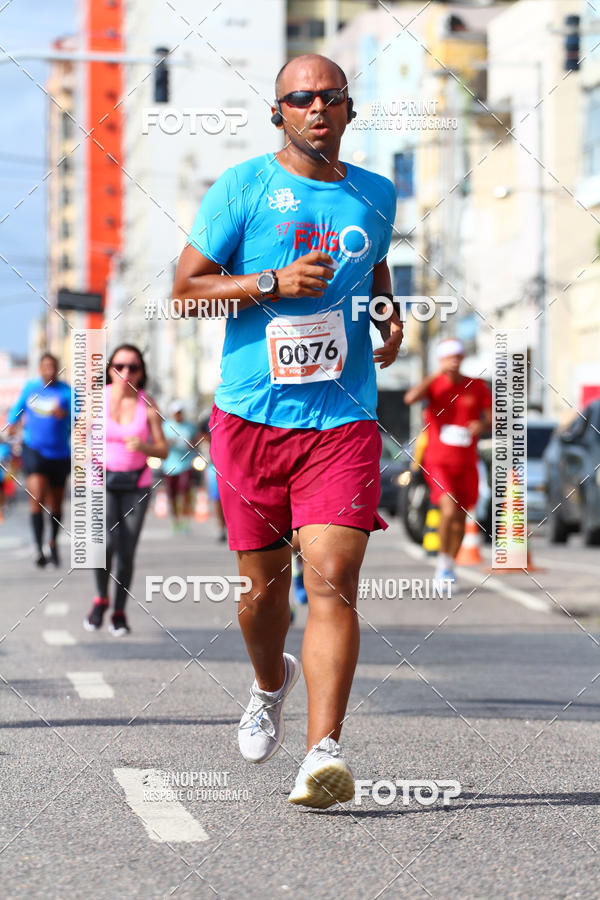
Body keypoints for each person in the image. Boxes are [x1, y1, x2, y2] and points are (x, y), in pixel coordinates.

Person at [172, 54, 402, 808]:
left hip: (342, 419)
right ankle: (271, 682)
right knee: (261, 598)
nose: (315, 108)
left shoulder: (376, 194)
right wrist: (268, 283)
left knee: (333, 580)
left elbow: (371, 264)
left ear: (347, 109)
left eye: (329, 97)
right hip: (250, 420)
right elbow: (185, 294)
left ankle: (322, 754)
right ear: (278, 112)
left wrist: (388, 308)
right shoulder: (242, 188)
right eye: (299, 98)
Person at [84, 344, 167, 636]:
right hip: (102, 480)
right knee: (105, 543)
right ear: (110, 370)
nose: (126, 372)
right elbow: (78, 436)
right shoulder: (97, 401)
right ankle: (99, 599)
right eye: (120, 366)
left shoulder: (148, 405)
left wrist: (145, 446)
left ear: (141, 372)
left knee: (127, 551)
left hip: (137, 484)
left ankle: (119, 611)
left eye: (133, 367)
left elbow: (164, 449)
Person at [404, 338, 492, 590]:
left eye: (458, 356)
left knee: (462, 516)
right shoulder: (435, 385)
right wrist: (435, 375)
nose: (454, 360)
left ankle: (450, 564)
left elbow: (493, 418)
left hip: (466, 462)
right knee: (449, 507)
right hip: (438, 461)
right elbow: (410, 398)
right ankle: (442, 564)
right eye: (449, 356)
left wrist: (482, 425)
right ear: (442, 360)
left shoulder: (476, 386)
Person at [7, 353, 71, 566]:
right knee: (36, 498)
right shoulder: (30, 389)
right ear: (40, 369)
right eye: (45, 366)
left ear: (58, 369)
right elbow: (15, 414)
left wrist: (65, 415)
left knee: (56, 504)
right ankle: (38, 546)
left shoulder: (67, 392)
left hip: (60, 453)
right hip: (34, 449)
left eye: (53, 366)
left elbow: (79, 418)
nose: (49, 370)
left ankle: (52, 541)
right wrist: (12, 426)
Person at [162, 400, 198, 532]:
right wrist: (168, 442)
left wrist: (191, 444)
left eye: (180, 413)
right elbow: (160, 442)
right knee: (172, 495)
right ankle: (175, 520)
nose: (179, 415)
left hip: (186, 465)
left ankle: (184, 520)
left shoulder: (190, 427)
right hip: (169, 466)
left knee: (184, 493)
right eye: (176, 413)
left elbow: (197, 440)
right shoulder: (165, 426)